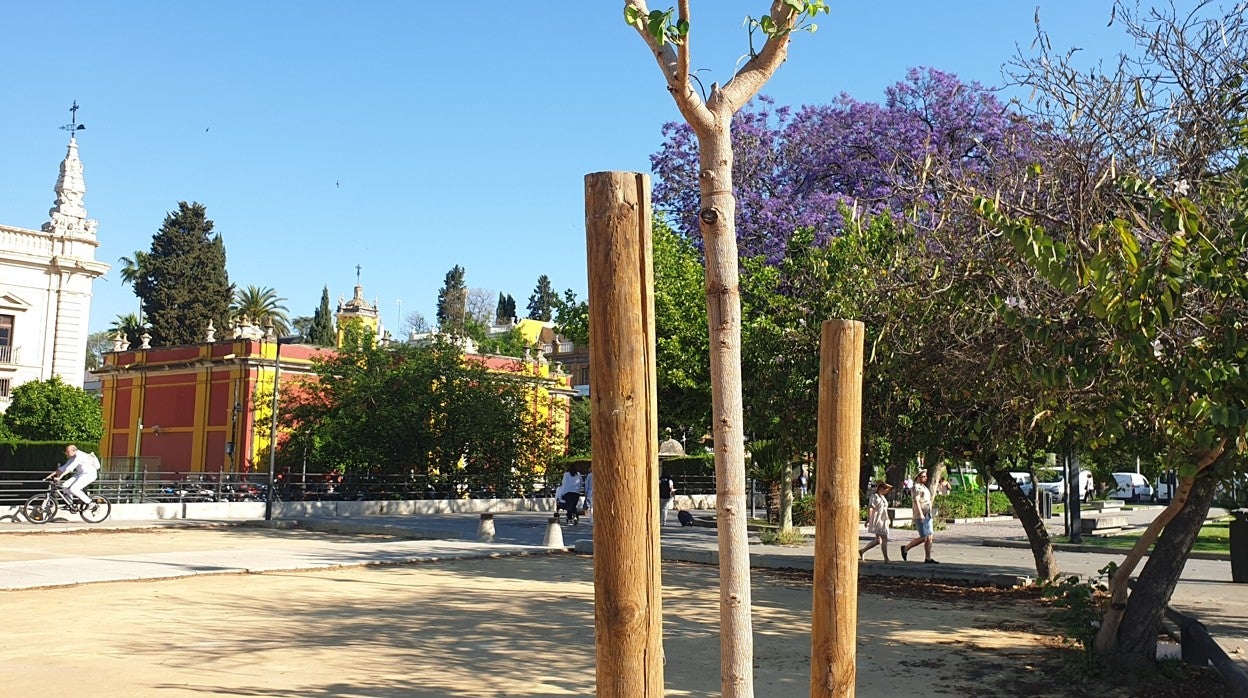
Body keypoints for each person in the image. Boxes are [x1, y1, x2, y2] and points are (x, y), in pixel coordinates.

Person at [900, 470, 937, 563]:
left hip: (928, 514)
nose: (925, 478)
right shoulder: (916, 487)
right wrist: (920, 513)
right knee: (924, 536)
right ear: (918, 477)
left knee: (930, 536)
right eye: (923, 476)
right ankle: (906, 548)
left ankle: (928, 558)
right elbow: (916, 501)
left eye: (925, 476)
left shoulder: (924, 487)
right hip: (921, 514)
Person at [859, 481, 893, 562]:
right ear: (880, 488)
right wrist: (868, 519)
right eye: (885, 488)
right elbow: (871, 508)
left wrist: (888, 519)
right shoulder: (874, 496)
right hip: (878, 519)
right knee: (884, 538)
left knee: (878, 540)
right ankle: (886, 558)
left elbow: (884, 509)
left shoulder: (883, 497)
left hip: (884, 519)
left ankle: (862, 551)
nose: (886, 490)